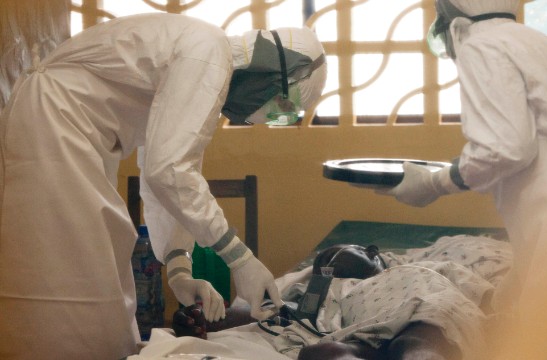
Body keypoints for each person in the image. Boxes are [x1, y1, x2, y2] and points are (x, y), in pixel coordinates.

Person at [0, 13, 327, 359]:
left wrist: (178, 270)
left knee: (98, 285)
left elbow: (165, 173)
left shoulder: (205, 62)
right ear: (274, 73)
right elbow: (168, 170)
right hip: (56, 125)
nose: (270, 118)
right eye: (281, 107)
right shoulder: (208, 51)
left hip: (73, 133)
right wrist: (239, 258)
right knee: (74, 292)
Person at [364, 0, 547, 357]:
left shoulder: (480, 46)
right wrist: (516, 283)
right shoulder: (535, 42)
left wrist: (434, 184)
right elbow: (542, 143)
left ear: (454, 20)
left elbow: (506, 148)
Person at [173, 236, 512, 360]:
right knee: (323, 353)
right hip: (357, 333)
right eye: (322, 262)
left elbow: (476, 290)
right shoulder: (314, 289)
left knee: (419, 341)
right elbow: (270, 315)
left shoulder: (420, 268)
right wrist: (207, 318)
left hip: (415, 309)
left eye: (337, 254)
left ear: (373, 253)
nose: (328, 264)